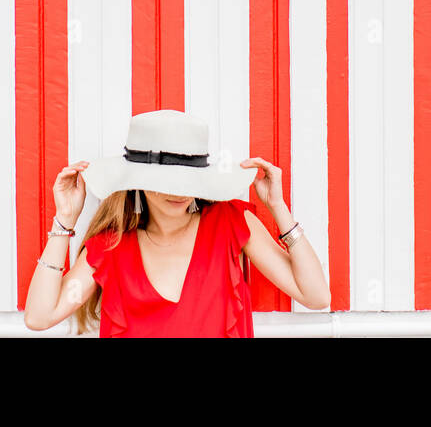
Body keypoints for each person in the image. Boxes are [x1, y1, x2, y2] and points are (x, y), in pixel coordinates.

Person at [23, 109, 331, 336]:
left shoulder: (231, 223)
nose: (178, 191)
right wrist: (64, 220)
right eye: (164, 180)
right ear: (137, 181)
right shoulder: (111, 246)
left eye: (187, 179)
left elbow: (316, 296)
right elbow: (39, 317)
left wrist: (277, 208)